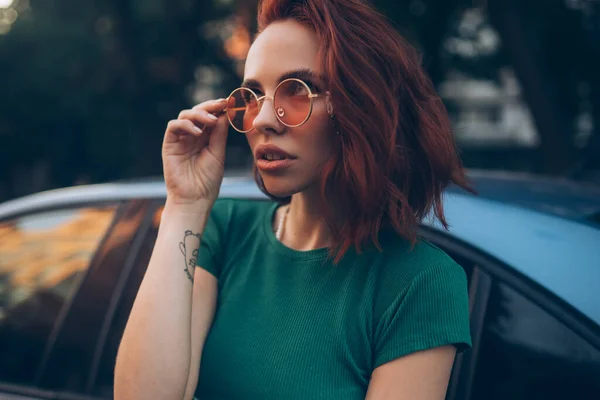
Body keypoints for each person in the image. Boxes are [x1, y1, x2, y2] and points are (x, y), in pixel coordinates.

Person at [114, 0, 474, 398]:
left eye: (298, 90)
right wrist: (185, 205)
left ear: (362, 103)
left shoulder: (420, 282)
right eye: (252, 95)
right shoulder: (224, 230)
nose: (264, 119)